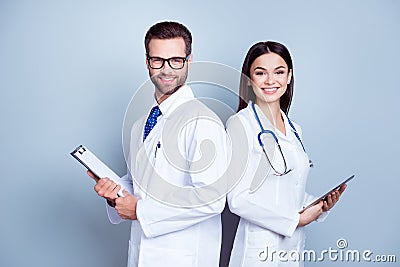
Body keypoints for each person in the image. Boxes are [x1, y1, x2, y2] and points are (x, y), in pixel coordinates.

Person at [87, 21, 227, 267]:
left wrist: (140, 211)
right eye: (158, 60)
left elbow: (212, 199)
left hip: (185, 258)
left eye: (175, 60)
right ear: (147, 62)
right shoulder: (141, 124)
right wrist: (114, 193)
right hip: (142, 254)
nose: (166, 69)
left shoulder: (203, 121)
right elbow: (139, 186)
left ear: (189, 60)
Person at [226, 41, 346, 267]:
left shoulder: (294, 129)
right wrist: (295, 221)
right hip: (257, 251)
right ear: (249, 80)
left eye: (279, 72)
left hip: (291, 251)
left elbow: (289, 188)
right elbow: (237, 199)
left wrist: (318, 206)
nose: (270, 81)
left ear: (289, 76)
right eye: (260, 73)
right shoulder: (240, 124)